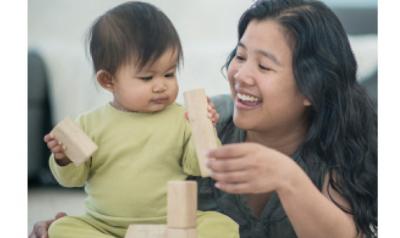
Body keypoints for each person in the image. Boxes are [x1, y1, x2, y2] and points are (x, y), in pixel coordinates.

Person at [30, 0, 377, 237]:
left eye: (264, 65)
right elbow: (127, 180)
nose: (241, 75)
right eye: (240, 56)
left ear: (311, 89)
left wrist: (288, 178)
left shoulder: (337, 141)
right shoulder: (205, 120)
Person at [40, 1, 239, 238]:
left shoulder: (181, 117)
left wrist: (204, 127)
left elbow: (199, 166)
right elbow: (73, 179)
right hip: (103, 226)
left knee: (222, 225)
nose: (161, 85)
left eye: (169, 74)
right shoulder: (89, 124)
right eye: (147, 77)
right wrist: (63, 158)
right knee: (62, 228)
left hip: (172, 224)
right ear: (108, 81)